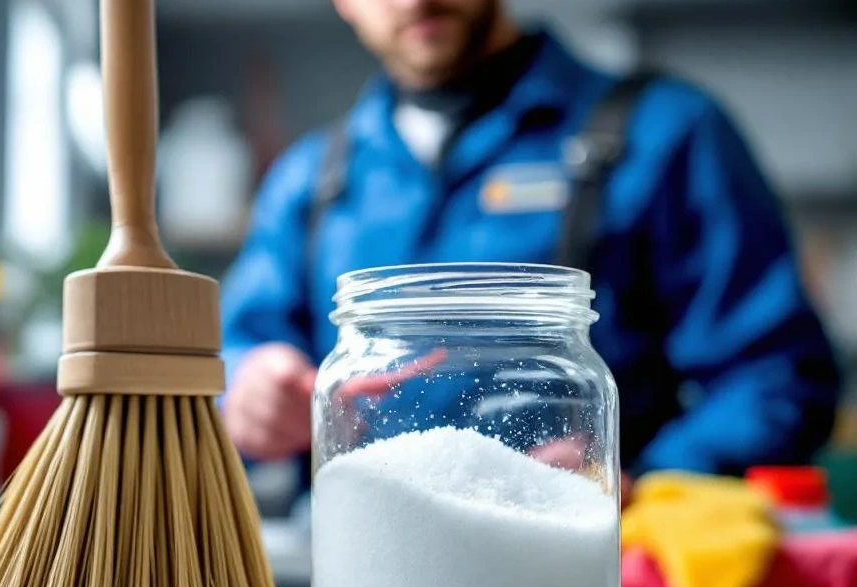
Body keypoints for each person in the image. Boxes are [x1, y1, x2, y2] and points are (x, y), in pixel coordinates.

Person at [218, 0, 840, 480]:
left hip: (593, 566)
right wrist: (250, 387)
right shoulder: (310, 179)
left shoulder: (665, 134)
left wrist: (636, 480)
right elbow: (235, 354)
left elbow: (778, 378)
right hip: (369, 553)